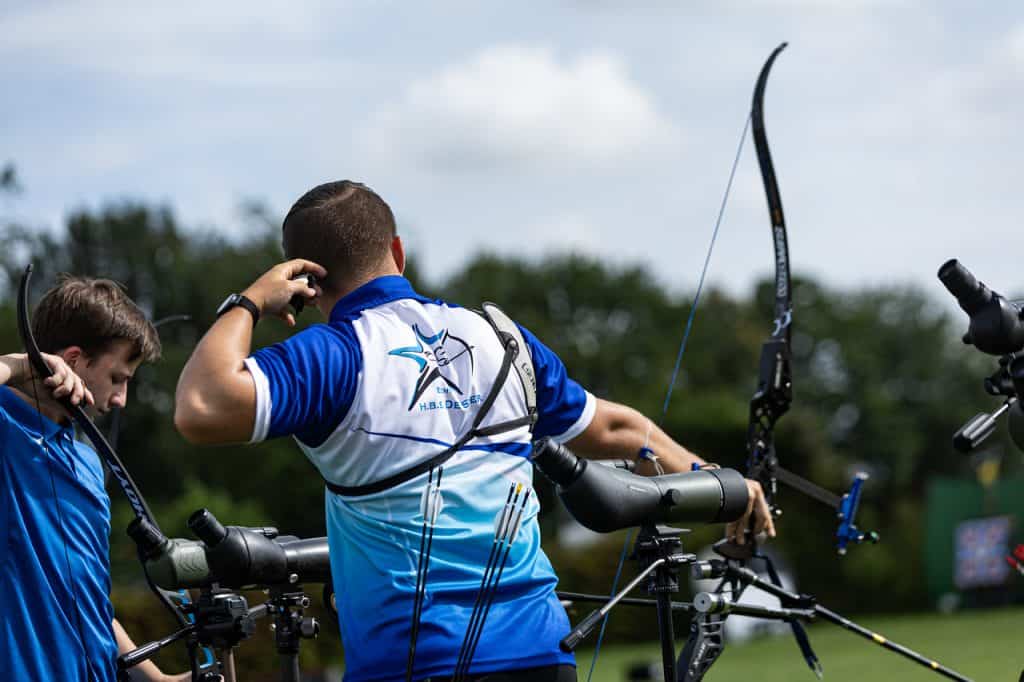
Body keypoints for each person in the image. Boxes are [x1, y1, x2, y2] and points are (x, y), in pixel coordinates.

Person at [174, 181, 775, 682]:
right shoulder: (499, 336)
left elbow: (199, 407)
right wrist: (715, 481)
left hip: (411, 664)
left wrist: (249, 300)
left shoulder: (333, 356)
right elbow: (615, 427)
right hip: (539, 654)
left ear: (306, 278)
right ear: (399, 251)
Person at [0, 274, 191, 681]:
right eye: (118, 378)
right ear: (71, 361)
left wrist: (159, 680)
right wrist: (18, 366)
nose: (120, 398)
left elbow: (86, 596)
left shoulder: (87, 462)